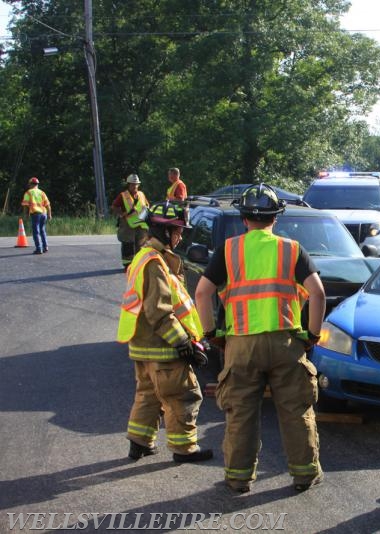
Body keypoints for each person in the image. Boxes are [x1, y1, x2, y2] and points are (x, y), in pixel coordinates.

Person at [194, 183, 326, 494]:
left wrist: (212, 334)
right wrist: (313, 335)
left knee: (241, 413)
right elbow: (318, 293)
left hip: (241, 345)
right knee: (296, 411)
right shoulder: (292, 250)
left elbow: (202, 293)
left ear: (243, 219)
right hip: (286, 343)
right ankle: (305, 474)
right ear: (275, 218)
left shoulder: (228, 250)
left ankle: (239, 478)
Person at [116, 201, 213, 463]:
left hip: (144, 346)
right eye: (177, 230)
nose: (180, 236)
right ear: (163, 231)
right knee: (183, 395)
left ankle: (140, 443)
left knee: (148, 395)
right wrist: (184, 343)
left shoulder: (145, 256)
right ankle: (185, 449)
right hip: (163, 347)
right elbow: (159, 311)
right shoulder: (155, 263)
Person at [111, 174, 149, 271]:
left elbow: (147, 206)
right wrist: (121, 214)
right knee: (128, 245)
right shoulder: (123, 195)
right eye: (133, 184)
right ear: (129, 184)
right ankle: (128, 265)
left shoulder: (141, 194)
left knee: (140, 245)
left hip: (141, 224)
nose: (135, 186)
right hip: (128, 224)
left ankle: (138, 264)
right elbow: (114, 207)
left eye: (136, 184)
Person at [21, 177, 52, 255]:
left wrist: (26, 215)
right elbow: (48, 205)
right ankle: (45, 247)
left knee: (36, 232)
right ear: (37, 184)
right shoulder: (42, 192)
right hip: (43, 214)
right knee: (42, 230)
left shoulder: (28, 192)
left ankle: (39, 249)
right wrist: (49, 214)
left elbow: (25, 205)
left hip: (35, 214)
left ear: (30, 184)